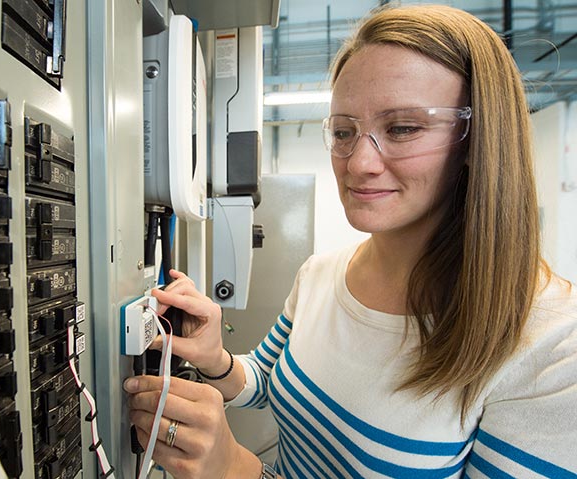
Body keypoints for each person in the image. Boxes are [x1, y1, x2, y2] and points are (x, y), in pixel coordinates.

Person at [124, 4, 577, 478]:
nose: (359, 163)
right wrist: (216, 358)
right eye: (343, 131)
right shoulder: (321, 273)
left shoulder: (551, 346)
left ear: (476, 139)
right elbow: (267, 383)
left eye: (402, 128)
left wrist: (238, 471)